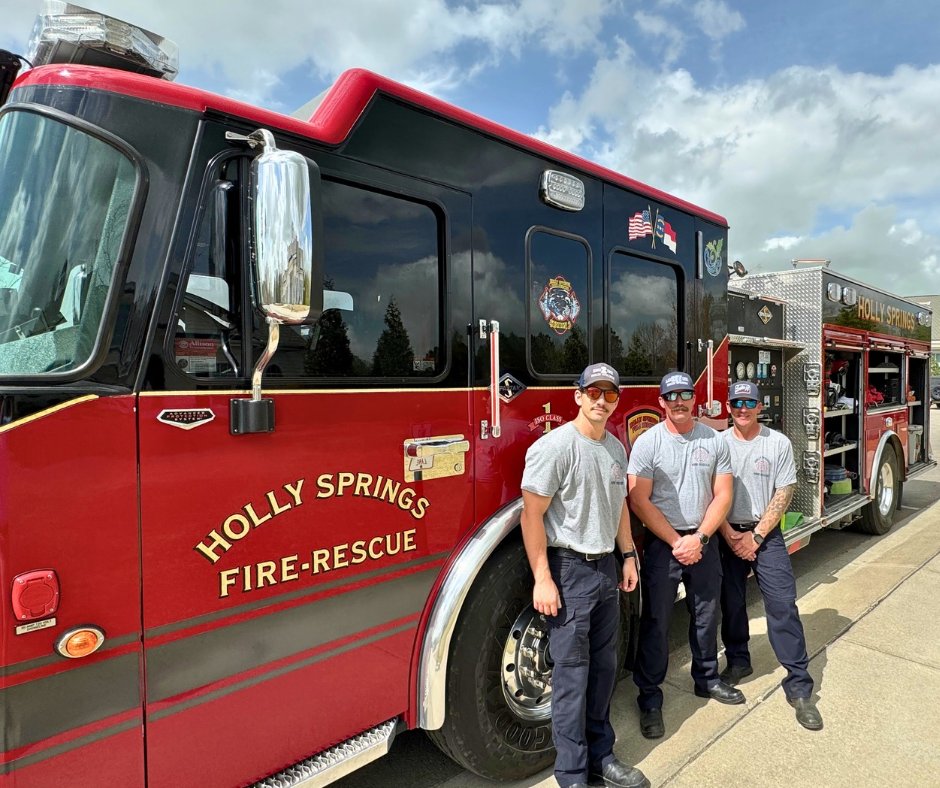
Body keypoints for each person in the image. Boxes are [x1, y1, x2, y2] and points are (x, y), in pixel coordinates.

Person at [521, 363, 649, 788]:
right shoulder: (555, 448)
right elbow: (531, 515)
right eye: (592, 391)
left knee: (602, 671)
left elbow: (618, 510)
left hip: (606, 570)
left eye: (609, 394)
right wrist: (543, 577)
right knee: (571, 677)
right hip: (570, 570)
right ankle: (572, 775)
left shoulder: (615, 449)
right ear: (577, 396)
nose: (600, 400)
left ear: (616, 401)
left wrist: (628, 556)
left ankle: (602, 757)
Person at [627, 371, 741, 741]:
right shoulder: (648, 443)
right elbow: (638, 499)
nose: (679, 401)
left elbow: (723, 494)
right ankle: (649, 697)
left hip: (704, 540)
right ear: (660, 402)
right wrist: (678, 541)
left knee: (707, 613)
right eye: (671, 395)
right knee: (656, 622)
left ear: (695, 398)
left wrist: (702, 537)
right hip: (665, 544)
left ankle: (706, 679)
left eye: (685, 394)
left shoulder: (714, 439)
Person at [718, 381, 823, 730]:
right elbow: (710, 493)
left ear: (760, 406)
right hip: (728, 531)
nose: (742, 408)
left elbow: (785, 492)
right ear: (729, 406)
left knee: (781, 604)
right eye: (736, 402)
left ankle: (799, 685)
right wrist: (729, 533)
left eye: (749, 402)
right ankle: (738, 661)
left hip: (766, 533)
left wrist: (757, 536)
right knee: (730, 603)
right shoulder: (718, 443)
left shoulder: (777, 443)